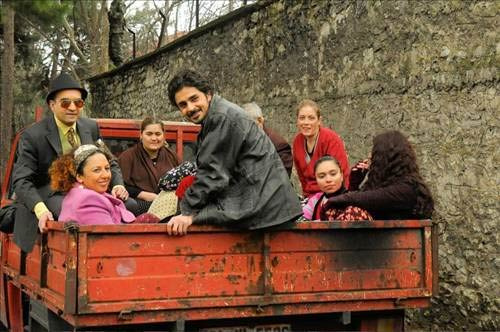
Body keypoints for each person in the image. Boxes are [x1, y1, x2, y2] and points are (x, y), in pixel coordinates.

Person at [165, 70, 302, 235]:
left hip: (260, 203)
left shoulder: (221, 118)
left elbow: (213, 174)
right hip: (261, 199)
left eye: (194, 99)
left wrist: (187, 212)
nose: (190, 108)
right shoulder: (216, 116)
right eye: (183, 105)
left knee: (192, 217)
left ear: (208, 94)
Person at [12, 73, 130, 252]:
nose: (73, 108)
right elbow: (21, 180)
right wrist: (40, 209)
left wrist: (117, 185)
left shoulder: (90, 127)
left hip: (90, 193)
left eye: (79, 103)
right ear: (52, 105)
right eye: (66, 103)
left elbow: (110, 161)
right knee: (74, 212)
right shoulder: (33, 136)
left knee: (130, 205)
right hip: (52, 196)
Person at [321, 130, 435, 220]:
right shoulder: (381, 184)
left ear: (385, 158)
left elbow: (367, 199)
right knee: (339, 211)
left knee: (354, 213)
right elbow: (356, 200)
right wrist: (355, 182)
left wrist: (332, 201)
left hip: (393, 246)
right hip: (369, 243)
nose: (370, 157)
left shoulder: (407, 189)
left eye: (374, 153)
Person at [49, 145, 135, 225]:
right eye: (96, 170)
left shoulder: (81, 193)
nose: (106, 175)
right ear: (79, 177)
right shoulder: (87, 199)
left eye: (107, 168)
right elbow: (112, 236)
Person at [118, 117, 180, 214]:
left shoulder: (172, 156)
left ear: (164, 136)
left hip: (169, 204)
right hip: (140, 204)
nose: (154, 138)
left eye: (158, 134)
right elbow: (120, 185)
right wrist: (143, 195)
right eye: (149, 134)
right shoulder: (128, 157)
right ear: (141, 135)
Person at [293, 99, 350, 198]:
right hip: (310, 198)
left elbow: (342, 175)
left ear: (319, 120)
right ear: (297, 121)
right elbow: (302, 179)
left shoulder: (330, 139)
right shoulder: (297, 142)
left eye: (311, 118)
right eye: (302, 118)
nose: (306, 122)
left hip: (332, 195)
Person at [302, 156, 372, 221]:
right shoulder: (316, 200)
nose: (328, 180)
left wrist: (353, 186)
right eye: (321, 176)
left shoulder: (352, 197)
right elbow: (301, 220)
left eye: (333, 174)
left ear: (341, 175)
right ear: (316, 179)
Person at [242, 102, 293, 177]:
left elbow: (282, 178)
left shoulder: (279, 145)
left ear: (260, 121)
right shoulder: (243, 141)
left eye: (249, 126)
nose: (245, 131)